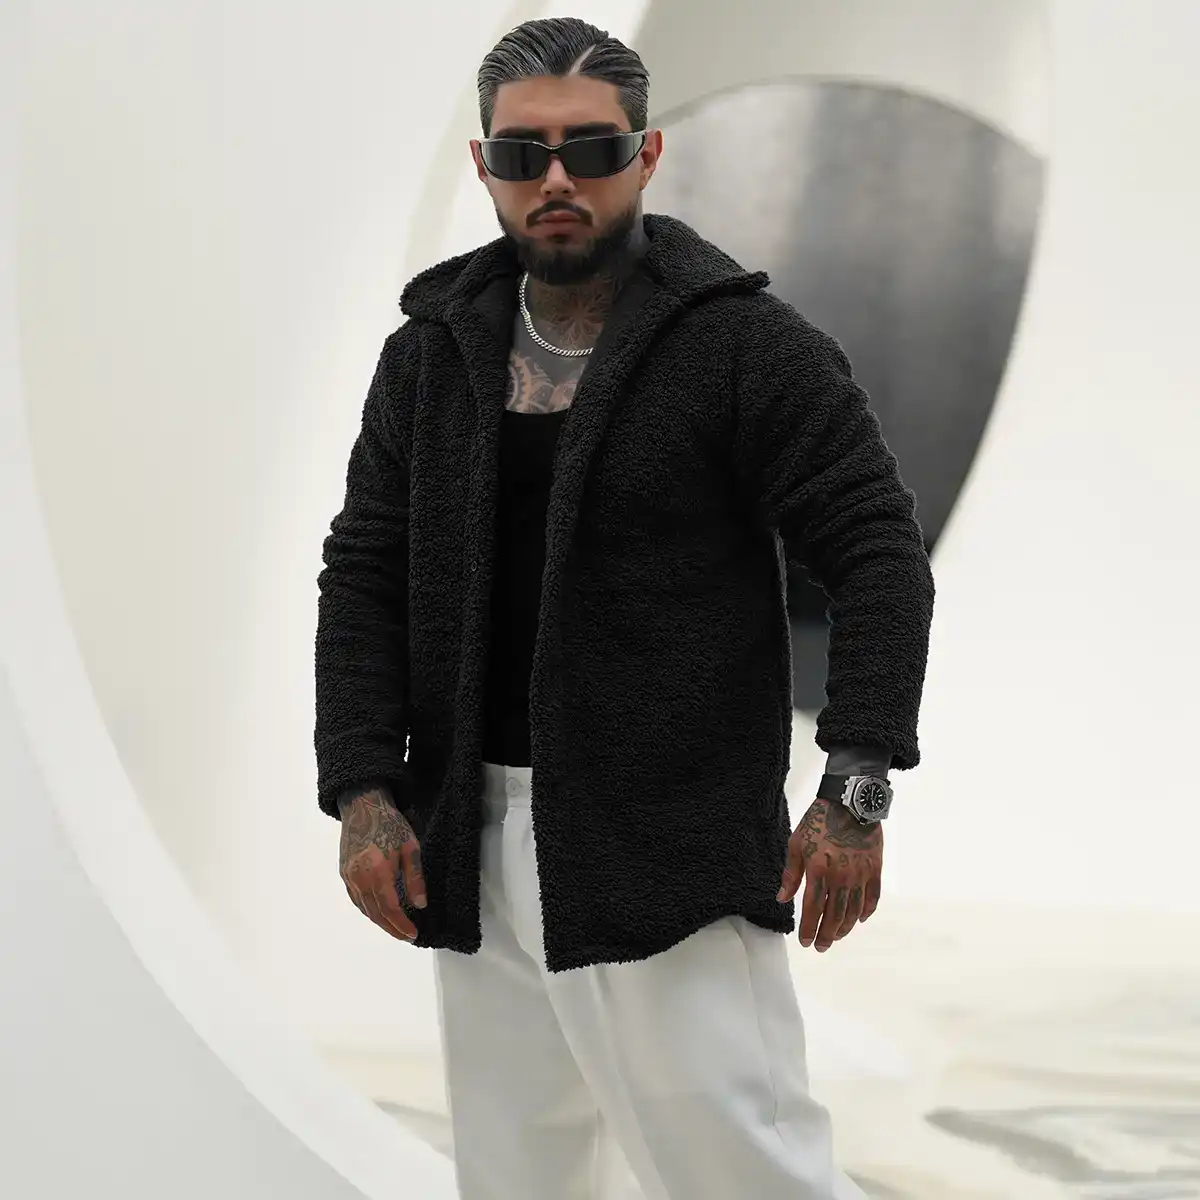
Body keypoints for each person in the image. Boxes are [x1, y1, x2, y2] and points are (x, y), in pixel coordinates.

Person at [315, 16, 934, 1200]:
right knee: (519, 1174)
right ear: (483, 165)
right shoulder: (431, 353)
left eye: (591, 149)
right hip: (470, 835)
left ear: (646, 154)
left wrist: (855, 789)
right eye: (523, 152)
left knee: (744, 1168)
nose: (556, 179)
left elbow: (878, 553)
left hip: (670, 840)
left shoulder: (744, 347)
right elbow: (365, 569)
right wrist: (362, 787)